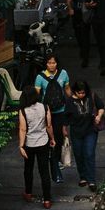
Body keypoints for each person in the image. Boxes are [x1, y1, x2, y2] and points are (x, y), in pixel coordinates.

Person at [34, 55, 71, 184]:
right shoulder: (40, 78)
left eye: (53, 63)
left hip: (61, 111)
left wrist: (73, 102)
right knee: (51, 139)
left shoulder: (63, 74)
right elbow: (37, 95)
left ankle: (56, 161)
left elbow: (67, 89)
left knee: (60, 137)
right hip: (47, 112)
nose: (51, 65)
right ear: (46, 64)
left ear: (57, 64)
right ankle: (55, 169)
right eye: (49, 63)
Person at [18, 87, 55, 208]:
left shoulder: (23, 111)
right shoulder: (44, 107)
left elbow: (23, 129)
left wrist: (21, 145)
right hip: (43, 142)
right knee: (44, 171)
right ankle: (47, 200)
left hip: (29, 143)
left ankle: (28, 193)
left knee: (28, 169)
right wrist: (52, 138)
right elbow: (48, 125)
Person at [68, 80, 105, 191]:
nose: (81, 95)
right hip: (76, 131)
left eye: (83, 93)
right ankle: (83, 176)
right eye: (79, 93)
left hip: (90, 130)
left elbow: (101, 107)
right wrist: (64, 129)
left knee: (89, 153)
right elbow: (66, 116)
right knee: (79, 154)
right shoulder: (70, 101)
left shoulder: (92, 96)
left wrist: (99, 116)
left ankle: (91, 180)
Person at [65, 0, 97, 68]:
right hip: (76, 12)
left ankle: (85, 57)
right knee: (78, 34)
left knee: (85, 35)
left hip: (86, 13)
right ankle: (82, 49)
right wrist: (70, 8)